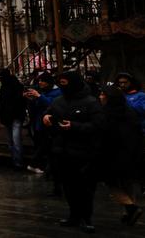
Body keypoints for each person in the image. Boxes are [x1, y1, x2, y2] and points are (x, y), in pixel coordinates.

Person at [42, 70, 104, 234]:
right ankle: (74, 215)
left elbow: (98, 126)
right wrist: (46, 117)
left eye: (64, 83)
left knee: (85, 187)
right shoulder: (58, 101)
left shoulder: (91, 102)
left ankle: (86, 217)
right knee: (69, 186)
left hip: (83, 151)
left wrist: (75, 126)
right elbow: (49, 112)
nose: (62, 86)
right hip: (62, 150)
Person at [98, 86, 144, 226]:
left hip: (113, 154)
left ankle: (130, 207)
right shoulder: (129, 111)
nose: (100, 97)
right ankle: (128, 211)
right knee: (127, 182)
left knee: (111, 183)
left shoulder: (106, 114)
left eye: (102, 94)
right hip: (132, 152)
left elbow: (103, 135)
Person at [115, 72, 145, 200]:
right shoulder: (118, 95)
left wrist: (124, 103)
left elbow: (142, 110)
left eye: (125, 82)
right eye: (120, 83)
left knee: (139, 160)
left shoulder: (141, 95)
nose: (122, 85)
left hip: (137, 131)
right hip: (121, 132)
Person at [0, 68, 28, 170]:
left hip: (14, 116)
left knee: (14, 140)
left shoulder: (12, 86)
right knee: (12, 140)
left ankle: (17, 161)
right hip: (11, 116)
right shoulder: (9, 86)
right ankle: (16, 160)